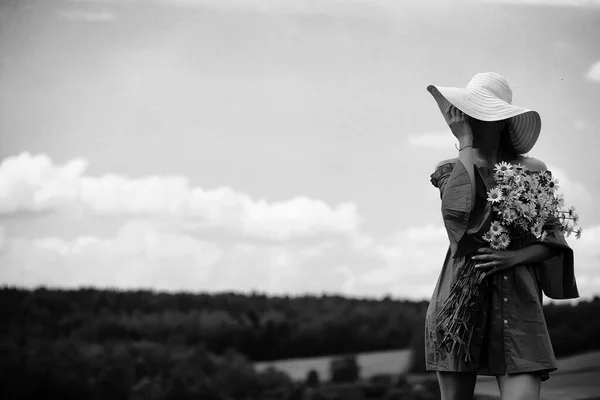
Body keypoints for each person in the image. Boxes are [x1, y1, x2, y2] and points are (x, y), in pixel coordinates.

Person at [423, 72, 579, 400]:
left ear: (502, 122)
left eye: (484, 115)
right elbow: (461, 228)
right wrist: (465, 143)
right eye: (470, 114)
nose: (474, 121)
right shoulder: (450, 169)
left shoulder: (532, 169)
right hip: (457, 306)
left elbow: (551, 238)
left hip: (518, 304)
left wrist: (513, 257)